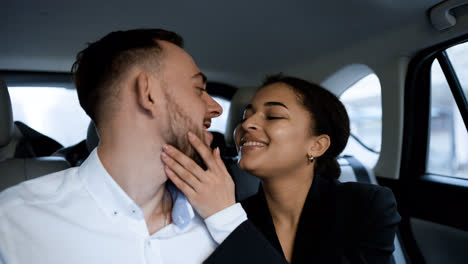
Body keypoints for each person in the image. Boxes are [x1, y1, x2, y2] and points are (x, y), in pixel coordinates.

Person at [0, 29, 284, 264]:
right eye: (199, 89)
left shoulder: (226, 221)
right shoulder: (12, 222)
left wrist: (228, 220)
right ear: (148, 93)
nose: (215, 109)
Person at [162, 74, 401, 263]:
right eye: (246, 115)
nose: (247, 124)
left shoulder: (366, 205)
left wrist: (226, 219)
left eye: (274, 115)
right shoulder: (234, 214)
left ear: (317, 146)